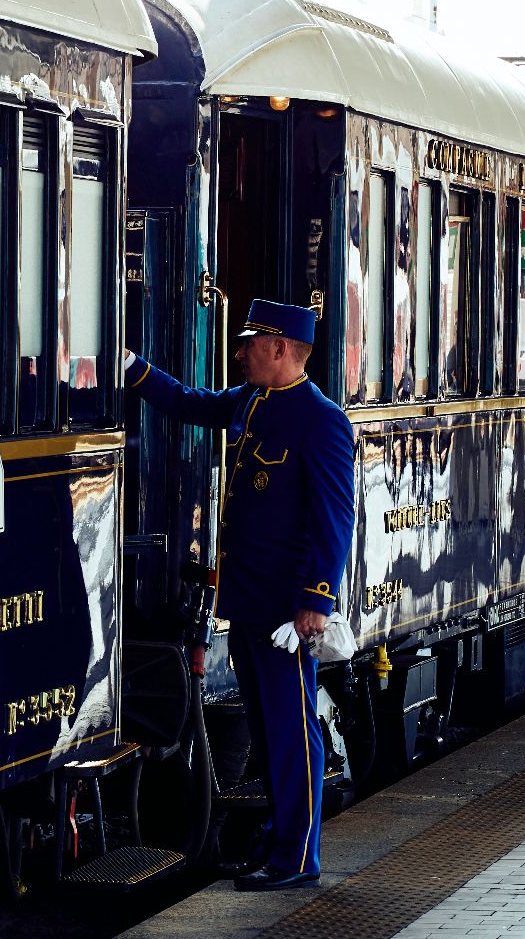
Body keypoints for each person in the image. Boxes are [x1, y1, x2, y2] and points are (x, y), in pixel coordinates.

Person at [124, 298, 355, 892]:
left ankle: (298, 857)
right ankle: (282, 844)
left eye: (250, 342)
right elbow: (185, 403)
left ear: (280, 348)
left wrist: (315, 603)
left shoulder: (320, 420)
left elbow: (334, 520)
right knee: (268, 725)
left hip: (284, 608)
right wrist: (133, 368)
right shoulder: (252, 402)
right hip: (248, 602)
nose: (240, 350)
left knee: (290, 730)